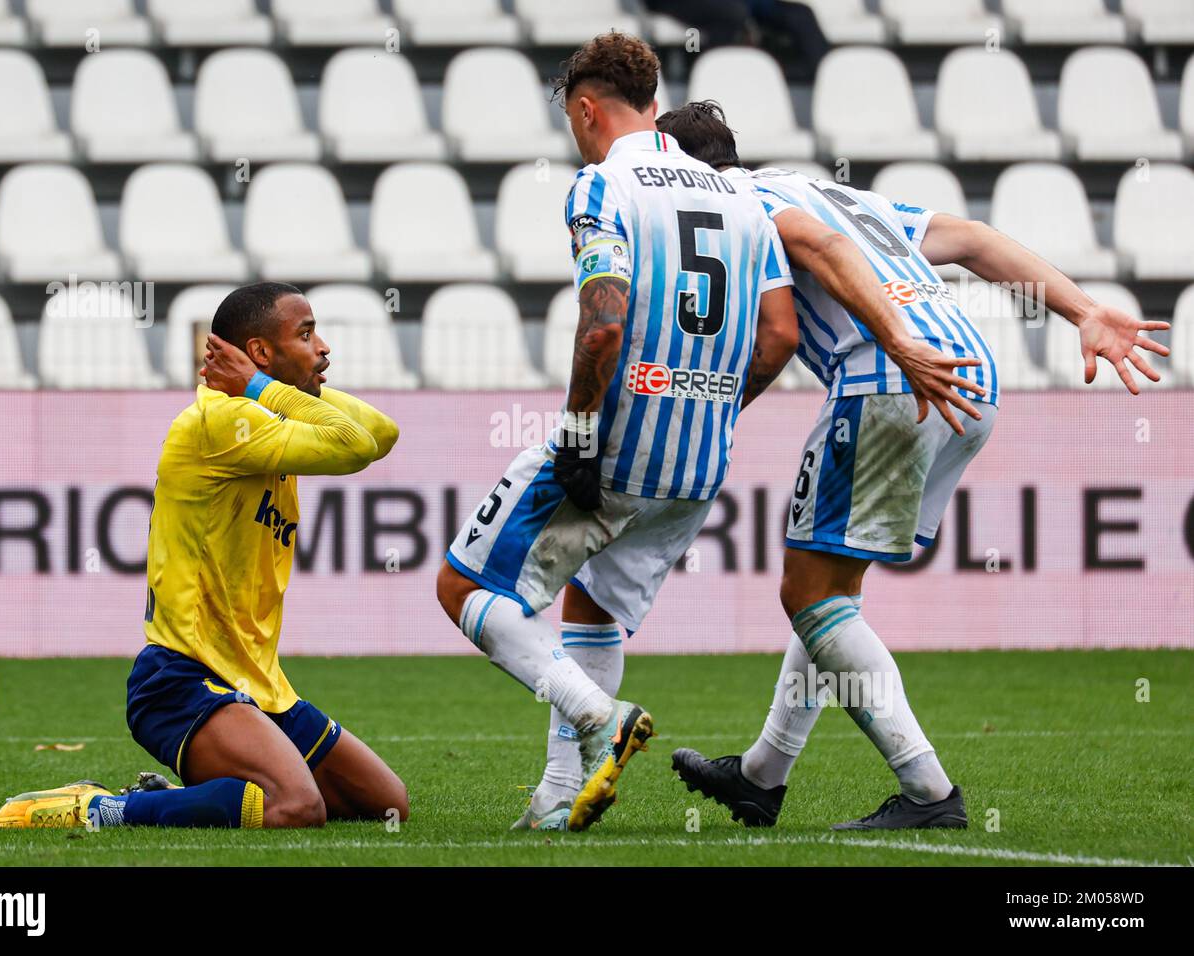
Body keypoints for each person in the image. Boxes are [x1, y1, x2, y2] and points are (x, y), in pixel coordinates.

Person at [657, 102, 1170, 830]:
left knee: (812, 594)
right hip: (968, 377)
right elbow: (972, 239)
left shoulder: (731, 207)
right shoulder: (823, 190)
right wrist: (1082, 309)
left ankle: (929, 794)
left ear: (676, 169)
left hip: (893, 375)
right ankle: (762, 774)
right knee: (830, 585)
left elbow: (790, 310)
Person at [434, 33, 800, 832]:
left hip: (621, 446)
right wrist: (712, 407)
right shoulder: (743, 197)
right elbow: (780, 334)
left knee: (462, 587)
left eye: (572, 117)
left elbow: (603, 325)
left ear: (587, 108)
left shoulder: (602, 186)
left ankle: (603, 718)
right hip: (699, 464)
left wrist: (578, 434)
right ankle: (560, 795)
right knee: (592, 607)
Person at [0, 282, 410, 830]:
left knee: (386, 804)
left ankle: (196, 791)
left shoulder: (262, 411)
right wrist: (263, 386)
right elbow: (354, 444)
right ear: (259, 352)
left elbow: (381, 431)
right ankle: (94, 808)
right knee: (294, 807)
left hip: (260, 683)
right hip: (182, 679)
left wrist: (266, 384)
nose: (323, 347)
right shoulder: (221, 424)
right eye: (306, 335)